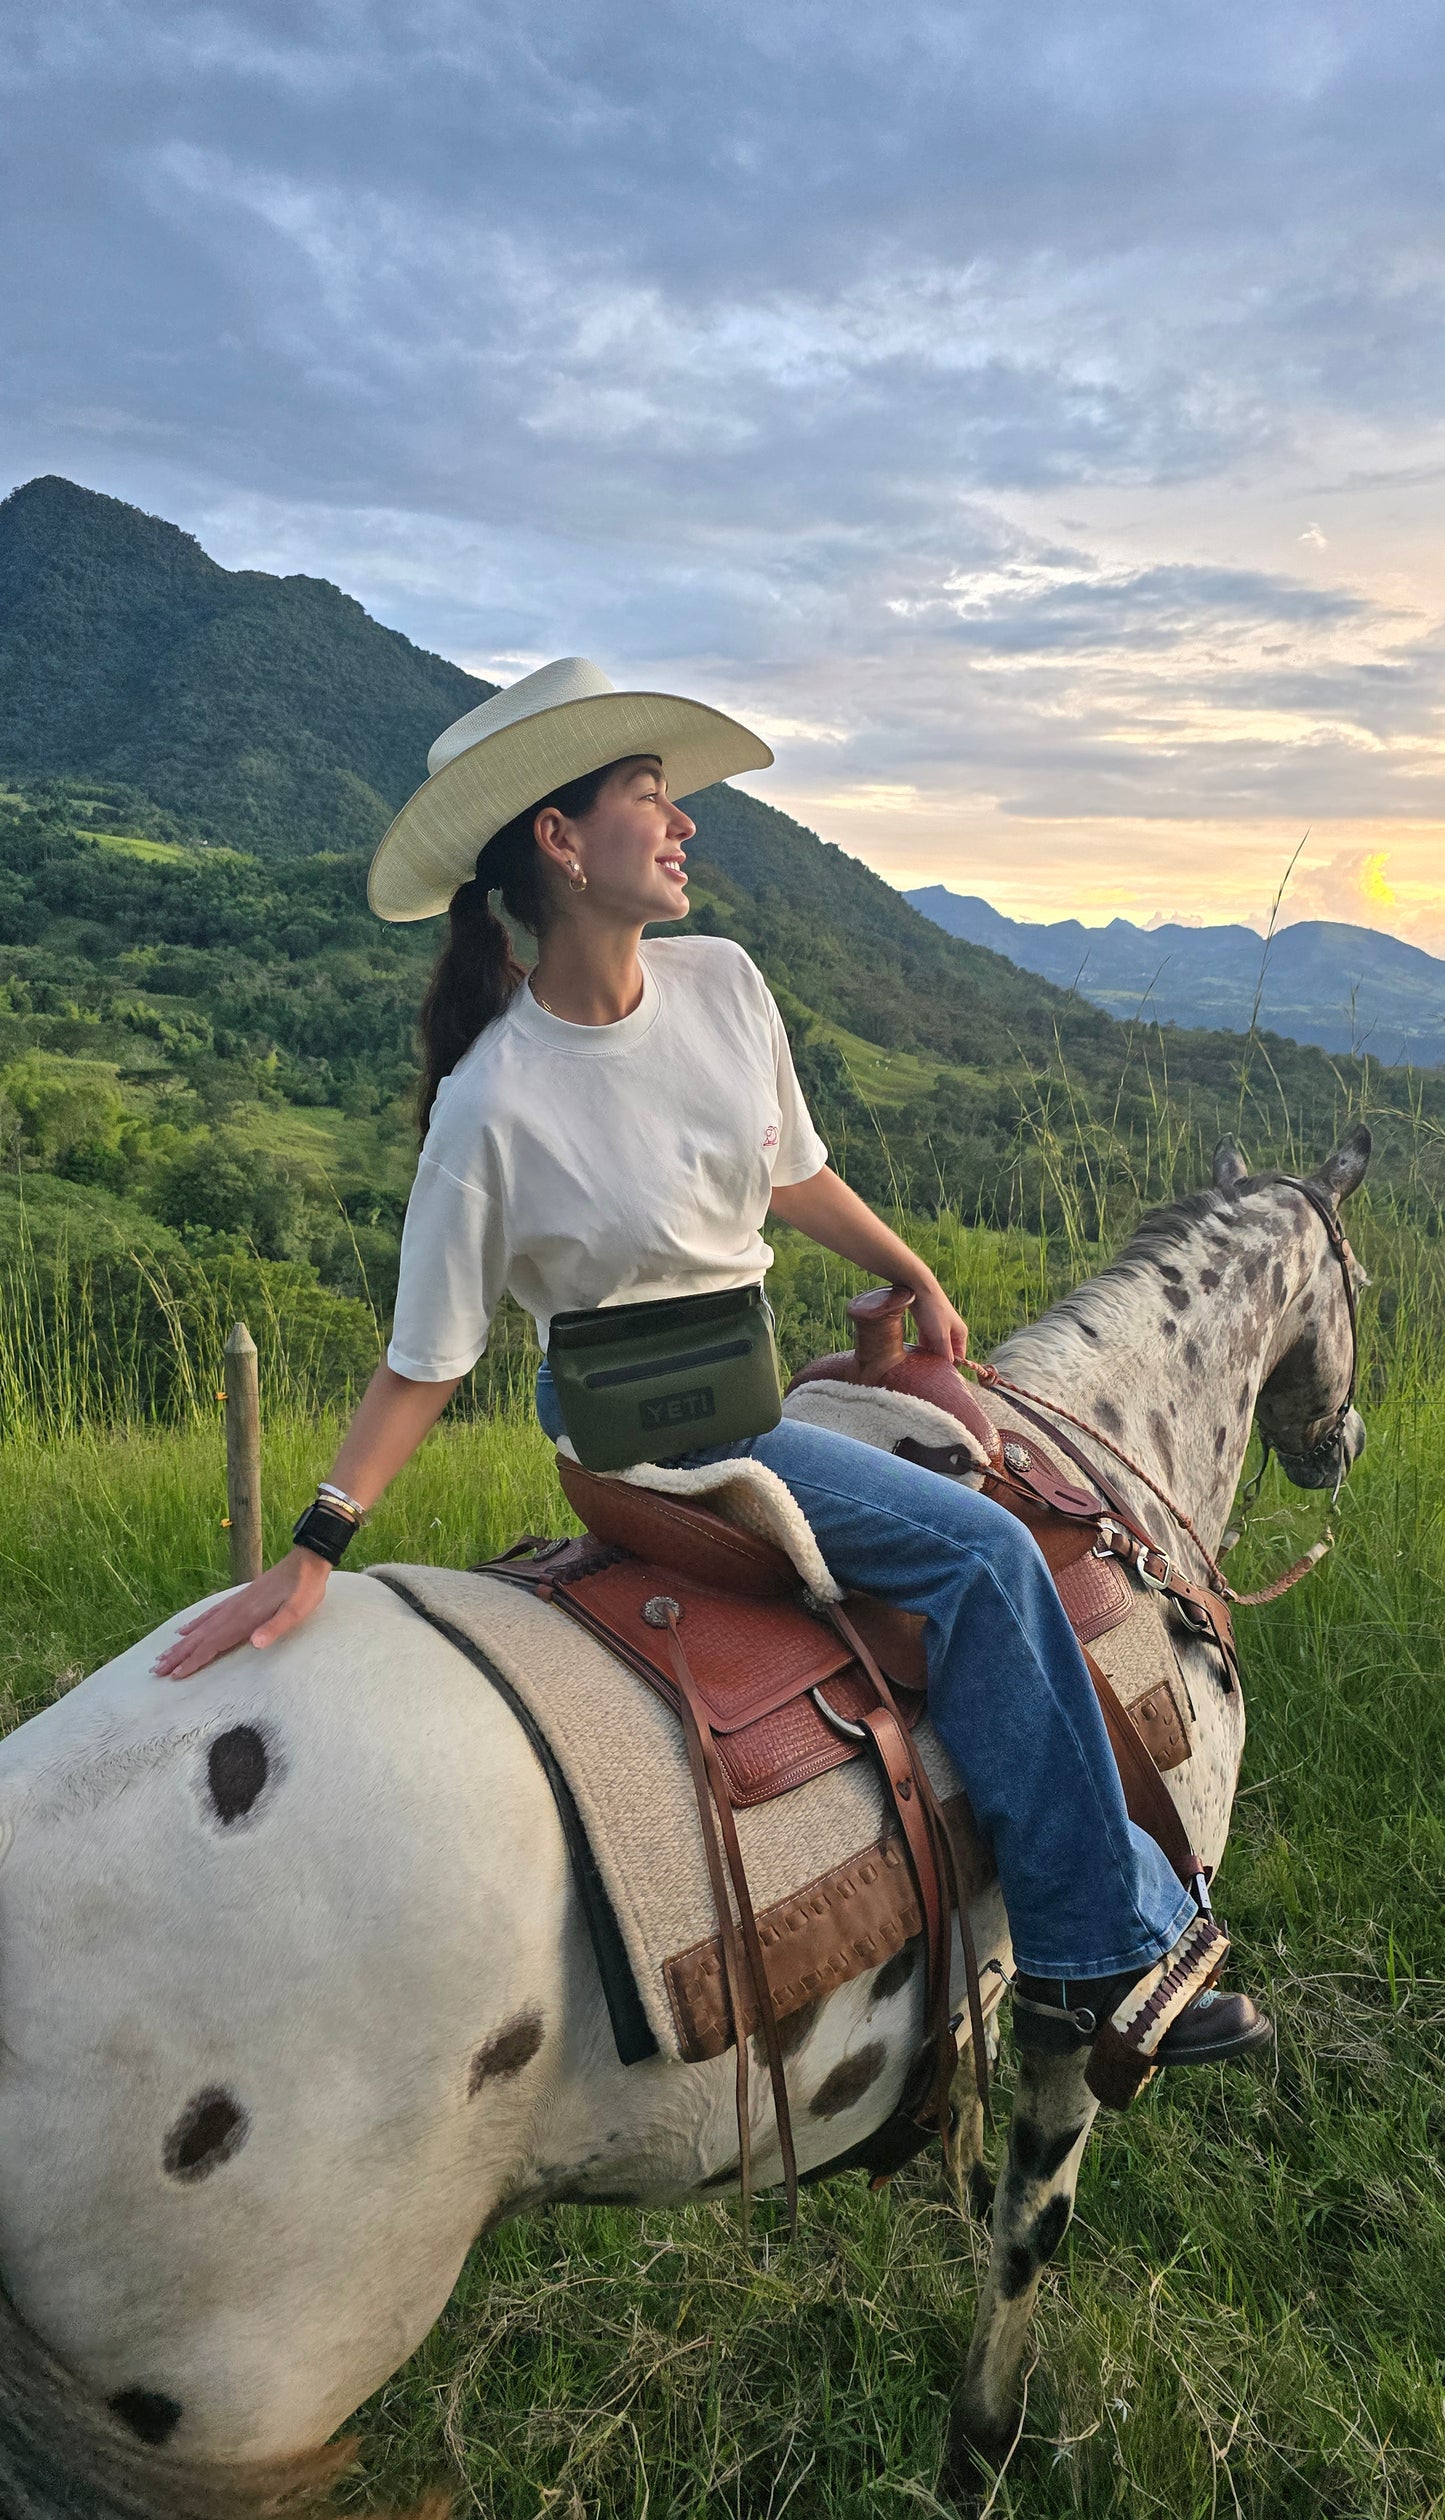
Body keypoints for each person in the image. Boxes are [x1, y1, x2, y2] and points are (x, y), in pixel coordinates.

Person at [157, 656, 1266, 2091]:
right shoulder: (489, 1103)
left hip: (753, 1399)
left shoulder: (724, 986)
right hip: (649, 1454)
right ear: (559, 843)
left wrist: (910, 1263)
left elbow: (786, 1172)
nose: (685, 829)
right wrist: (317, 1547)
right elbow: (426, 1358)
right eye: (648, 800)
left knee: (970, 1484)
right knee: (985, 1554)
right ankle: (1092, 1949)